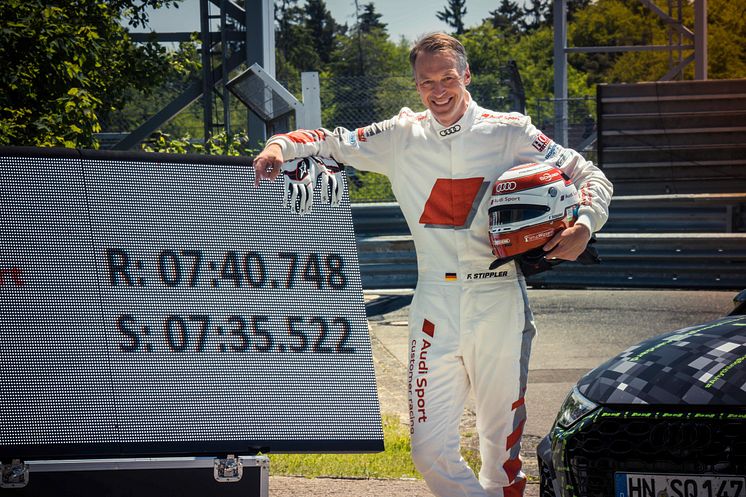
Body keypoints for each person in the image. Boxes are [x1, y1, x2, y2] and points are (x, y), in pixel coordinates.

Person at [252, 32, 613, 497]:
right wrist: (280, 146)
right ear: (416, 85)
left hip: (498, 299)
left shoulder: (510, 130)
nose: (438, 91)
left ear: (466, 75)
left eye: (447, 79)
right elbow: (330, 142)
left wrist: (584, 224)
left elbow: (588, 174)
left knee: (500, 457)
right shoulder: (401, 134)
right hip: (433, 305)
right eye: (427, 82)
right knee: (427, 451)